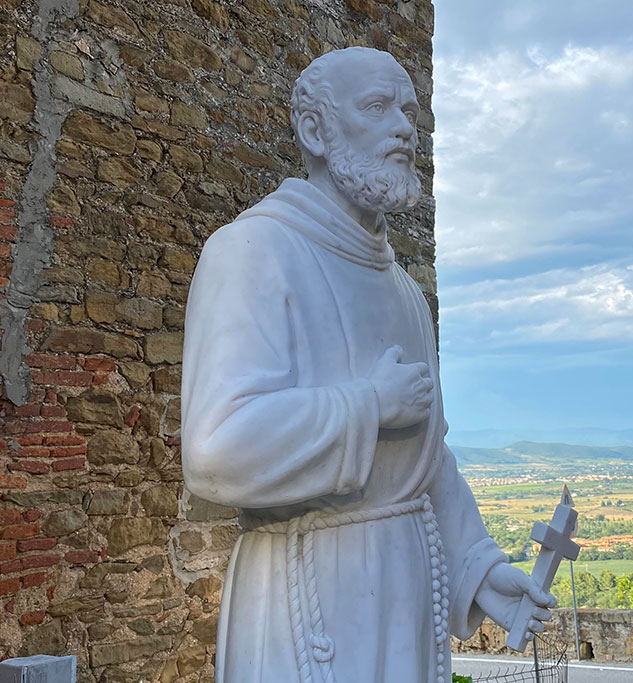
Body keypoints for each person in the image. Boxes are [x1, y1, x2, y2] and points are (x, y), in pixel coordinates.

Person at [180, 47, 555, 683]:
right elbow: (216, 453)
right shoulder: (252, 252)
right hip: (309, 593)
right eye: (378, 107)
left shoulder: (405, 291)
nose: (406, 127)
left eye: (410, 111)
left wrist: (480, 567)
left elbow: (427, 459)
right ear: (315, 130)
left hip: (405, 587)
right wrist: (367, 405)